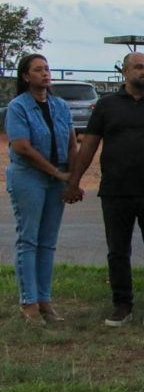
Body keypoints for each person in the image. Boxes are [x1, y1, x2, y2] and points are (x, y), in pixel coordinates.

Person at [65, 52, 144, 327]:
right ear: (125, 72)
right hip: (115, 190)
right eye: (139, 67)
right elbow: (90, 146)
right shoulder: (107, 106)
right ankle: (122, 304)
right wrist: (74, 181)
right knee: (118, 250)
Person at [4, 54, 77, 324]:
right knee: (29, 240)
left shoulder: (60, 106)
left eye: (47, 69)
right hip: (29, 177)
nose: (45, 74)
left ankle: (45, 299)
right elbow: (22, 146)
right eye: (38, 70)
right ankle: (29, 302)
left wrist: (72, 177)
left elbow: (72, 142)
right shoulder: (18, 107)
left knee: (48, 241)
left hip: (56, 177)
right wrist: (55, 172)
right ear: (26, 76)